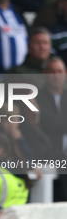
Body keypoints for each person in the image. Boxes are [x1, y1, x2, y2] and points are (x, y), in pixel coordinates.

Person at [37, 56, 67, 201]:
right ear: (45, 74)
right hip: (48, 155)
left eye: (60, 71)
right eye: (52, 71)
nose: (56, 76)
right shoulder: (37, 97)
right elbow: (48, 124)